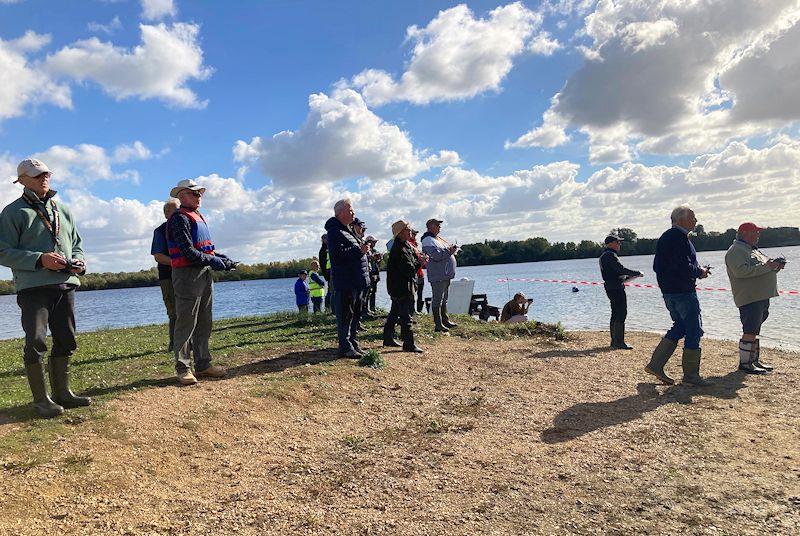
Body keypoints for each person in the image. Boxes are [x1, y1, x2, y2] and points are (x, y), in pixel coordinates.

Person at [0, 159, 90, 418]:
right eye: (37, 175)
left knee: (67, 338)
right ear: (22, 180)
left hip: (65, 284)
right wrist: (40, 259)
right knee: (36, 341)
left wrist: (79, 261)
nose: (43, 178)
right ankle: (41, 400)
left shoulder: (62, 209)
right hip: (33, 287)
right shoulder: (12, 212)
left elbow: (76, 243)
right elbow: (3, 252)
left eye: (46, 173)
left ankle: (63, 393)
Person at [167, 179, 237, 386]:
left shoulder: (197, 216)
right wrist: (215, 261)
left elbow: (205, 249)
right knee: (186, 322)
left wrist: (222, 259)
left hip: (203, 273)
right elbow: (188, 252)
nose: (199, 197)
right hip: (187, 275)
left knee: (205, 321)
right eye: (195, 193)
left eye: (200, 194)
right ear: (182, 196)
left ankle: (203, 364)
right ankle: (183, 368)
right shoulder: (179, 219)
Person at [645, 205, 711, 386]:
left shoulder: (666, 237)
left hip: (669, 292)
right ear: (681, 219)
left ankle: (655, 364)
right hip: (682, 292)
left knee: (681, 326)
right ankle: (691, 376)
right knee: (693, 330)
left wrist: (667, 285)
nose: (696, 220)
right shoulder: (679, 238)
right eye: (693, 217)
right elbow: (683, 266)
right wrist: (700, 272)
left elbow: (657, 267)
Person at [724, 222, 785, 374]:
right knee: (750, 328)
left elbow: (761, 270)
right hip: (750, 297)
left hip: (760, 296)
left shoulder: (751, 250)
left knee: (754, 328)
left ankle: (753, 360)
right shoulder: (735, 251)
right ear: (745, 234)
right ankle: (746, 363)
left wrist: (775, 267)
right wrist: (769, 267)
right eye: (755, 232)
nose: (758, 235)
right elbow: (741, 272)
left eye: (758, 232)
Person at [325, 199, 370, 357]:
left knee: (356, 314)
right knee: (346, 316)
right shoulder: (334, 231)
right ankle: (345, 346)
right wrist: (359, 250)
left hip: (357, 280)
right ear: (341, 212)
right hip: (346, 281)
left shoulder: (348, 230)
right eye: (350, 210)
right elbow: (337, 256)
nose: (353, 213)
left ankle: (353, 342)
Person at [383, 220, 424, 353]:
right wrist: (420, 263)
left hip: (398, 286)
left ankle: (388, 338)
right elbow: (408, 269)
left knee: (394, 312)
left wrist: (419, 260)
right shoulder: (400, 248)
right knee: (406, 316)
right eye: (407, 229)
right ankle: (409, 344)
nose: (410, 231)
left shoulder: (405, 245)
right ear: (400, 233)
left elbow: (411, 264)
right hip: (401, 287)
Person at [599, 234, 644, 350]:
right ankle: (618, 341)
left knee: (615, 312)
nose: (620, 245)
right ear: (611, 244)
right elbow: (620, 269)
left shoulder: (604, 256)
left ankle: (615, 341)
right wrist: (636, 273)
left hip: (611, 287)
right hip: (615, 288)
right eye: (618, 242)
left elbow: (616, 272)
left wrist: (627, 276)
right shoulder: (610, 256)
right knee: (621, 312)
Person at [151, 198, 181, 351]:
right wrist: (179, 263)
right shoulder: (160, 231)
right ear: (166, 214)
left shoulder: (184, 227)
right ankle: (174, 344)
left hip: (184, 276)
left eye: (179, 209)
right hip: (168, 278)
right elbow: (158, 256)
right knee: (174, 312)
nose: (178, 213)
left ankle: (187, 343)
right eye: (174, 210)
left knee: (186, 310)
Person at [421, 218, 458, 333]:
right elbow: (436, 256)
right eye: (437, 225)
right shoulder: (427, 240)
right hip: (438, 275)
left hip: (444, 274)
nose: (439, 227)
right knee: (437, 300)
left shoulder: (436, 239)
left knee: (444, 299)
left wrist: (450, 250)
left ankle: (445, 320)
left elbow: (442, 252)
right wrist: (449, 251)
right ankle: (438, 324)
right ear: (431, 226)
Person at [409, 229, 426, 313]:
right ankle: (413, 310)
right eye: (413, 234)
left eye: (415, 234)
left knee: (420, 293)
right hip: (414, 272)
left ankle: (419, 310)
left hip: (420, 272)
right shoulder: (408, 244)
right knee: (413, 293)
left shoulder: (416, 245)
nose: (415, 235)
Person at [365, 235, 381, 314]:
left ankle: (372, 308)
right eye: (373, 242)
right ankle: (366, 309)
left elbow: (377, 263)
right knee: (368, 292)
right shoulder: (366, 250)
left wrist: (378, 259)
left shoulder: (374, 250)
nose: (375, 243)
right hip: (369, 274)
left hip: (375, 273)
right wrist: (372, 257)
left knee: (374, 291)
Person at [319, 234, 332, 312]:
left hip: (333, 271)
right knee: (330, 292)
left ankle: (331, 308)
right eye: (325, 238)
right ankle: (328, 308)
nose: (327, 240)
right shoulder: (323, 250)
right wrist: (326, 275)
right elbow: (322, 264)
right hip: (328, 272)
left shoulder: (331, 247)